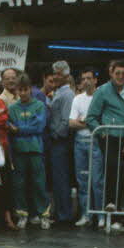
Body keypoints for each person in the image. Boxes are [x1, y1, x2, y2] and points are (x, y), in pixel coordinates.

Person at [86, 58, 124, 230]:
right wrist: (103, 132)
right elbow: (91, 117)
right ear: (111, 73)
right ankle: (110, 211)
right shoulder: (103, 91)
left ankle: (121, 215)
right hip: (110, 137)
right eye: (117, 73)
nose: (121, 76)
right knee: (114, 170)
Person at [7, 76, 49, 229]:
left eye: (25, 89)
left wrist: (18, 129)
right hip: (19, 150)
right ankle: (22, 214)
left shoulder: (39, 105)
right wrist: (20, 129)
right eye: (20, 90)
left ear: (30, 89)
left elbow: (39, 126)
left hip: (35, 149)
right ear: (16, 90)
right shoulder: (12, 108)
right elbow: (9, 126)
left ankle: (43, 214)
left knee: (39, 183)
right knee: (19, 183)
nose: (23, 93)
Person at [70, 67, 97, 226]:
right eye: (83, 78)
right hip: (80, 142)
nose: (86, 81)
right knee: (82, 180)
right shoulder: (77, 99)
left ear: (95, 80)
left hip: (96, 141)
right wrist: (89, 122)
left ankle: (99, 216)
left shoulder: (99, 96)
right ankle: (85, 215)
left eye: (89, 78)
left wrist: (83, 121)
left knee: (97, 180)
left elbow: (99, 121)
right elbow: (71, 123)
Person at [48, 66, 75, 224]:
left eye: (58, 74)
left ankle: (64, 214)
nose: (55, 77)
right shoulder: (59, 92)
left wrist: (55, 135)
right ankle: (60, 212)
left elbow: (66, 120)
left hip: (60, 142)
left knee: (62, 179)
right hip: (56, 141)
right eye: (54, 74)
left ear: (66, 76)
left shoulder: (67, 94)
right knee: (57, 180)